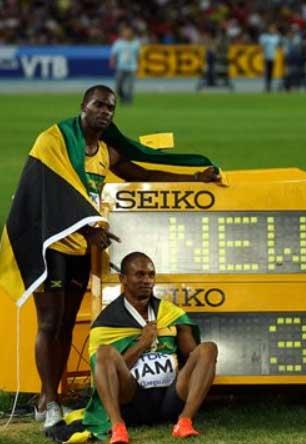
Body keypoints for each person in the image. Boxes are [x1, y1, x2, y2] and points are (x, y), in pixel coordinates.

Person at [0, 84, 221, 431]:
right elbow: (45, 190)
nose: (105, 112)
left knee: (66, 325)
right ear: (83, 106)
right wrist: (89, 229)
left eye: (111, 109)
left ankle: (50, 396)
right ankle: (50, 400)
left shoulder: (104, 151)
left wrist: (193, 178)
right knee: (49, 322)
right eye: (98, 105)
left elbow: (142, 174)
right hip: (50, 243)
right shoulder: (54, 140)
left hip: (79, 249)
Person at [87, 252, 217, 443]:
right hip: (133, 399)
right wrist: (142, 343)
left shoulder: (169, 313)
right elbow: (106, 375)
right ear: (122, 279)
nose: (147, 280)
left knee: (208, 349)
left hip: (171, 397)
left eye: (150, 275)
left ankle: (185, 421)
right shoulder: (107, 322)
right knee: (104, 352)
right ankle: (118, 427)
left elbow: (192, 356)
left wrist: (180, 333)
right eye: (139, 275)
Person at [110, 25, 140, 104]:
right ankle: (122, 97)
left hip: (132, 67)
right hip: (121, 67)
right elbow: (114, 54)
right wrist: (112, 62)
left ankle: (128, 101)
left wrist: (138, 64)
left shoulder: (136, 43)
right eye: (126, 33)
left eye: (129, 33)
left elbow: (137, 55)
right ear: (122, 34)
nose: (127, 34)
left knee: (130, 86)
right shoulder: (118, 43)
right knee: (118, 86)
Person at [259, 24, 280, 92]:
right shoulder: (264, 37)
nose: (272, 30)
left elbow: (277, 46)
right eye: (271, 29)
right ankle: (266, 85)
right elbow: (262, 46)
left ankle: (269, 85)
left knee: (271, 72)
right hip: (266, 56)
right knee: (266, 72)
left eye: (273, 29)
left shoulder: (276, 37)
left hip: (272, 57)